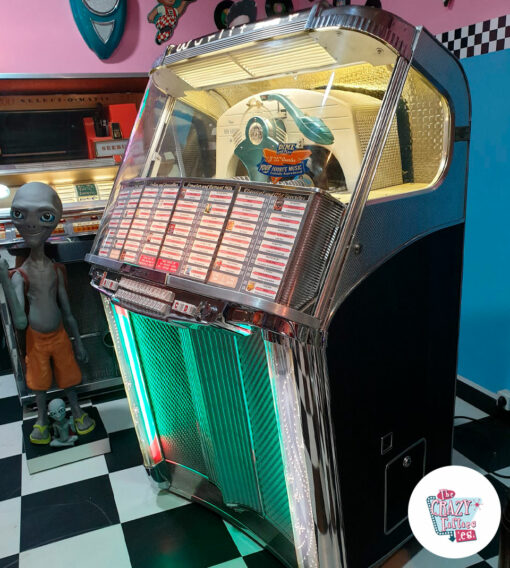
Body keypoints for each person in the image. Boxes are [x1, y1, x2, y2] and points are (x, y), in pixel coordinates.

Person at [0, 182, 95, 444]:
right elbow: (19, 320)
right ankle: (42, 420)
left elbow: (67, 310)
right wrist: (6, 281)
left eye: (44, 217)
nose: (31, 224)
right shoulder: (20, 275)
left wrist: (78, 342)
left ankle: (76, 412)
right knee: (39, 383)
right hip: (37, 339)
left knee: (69, 376)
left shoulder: (54, 270)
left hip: (60, 334)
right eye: (21, 215)